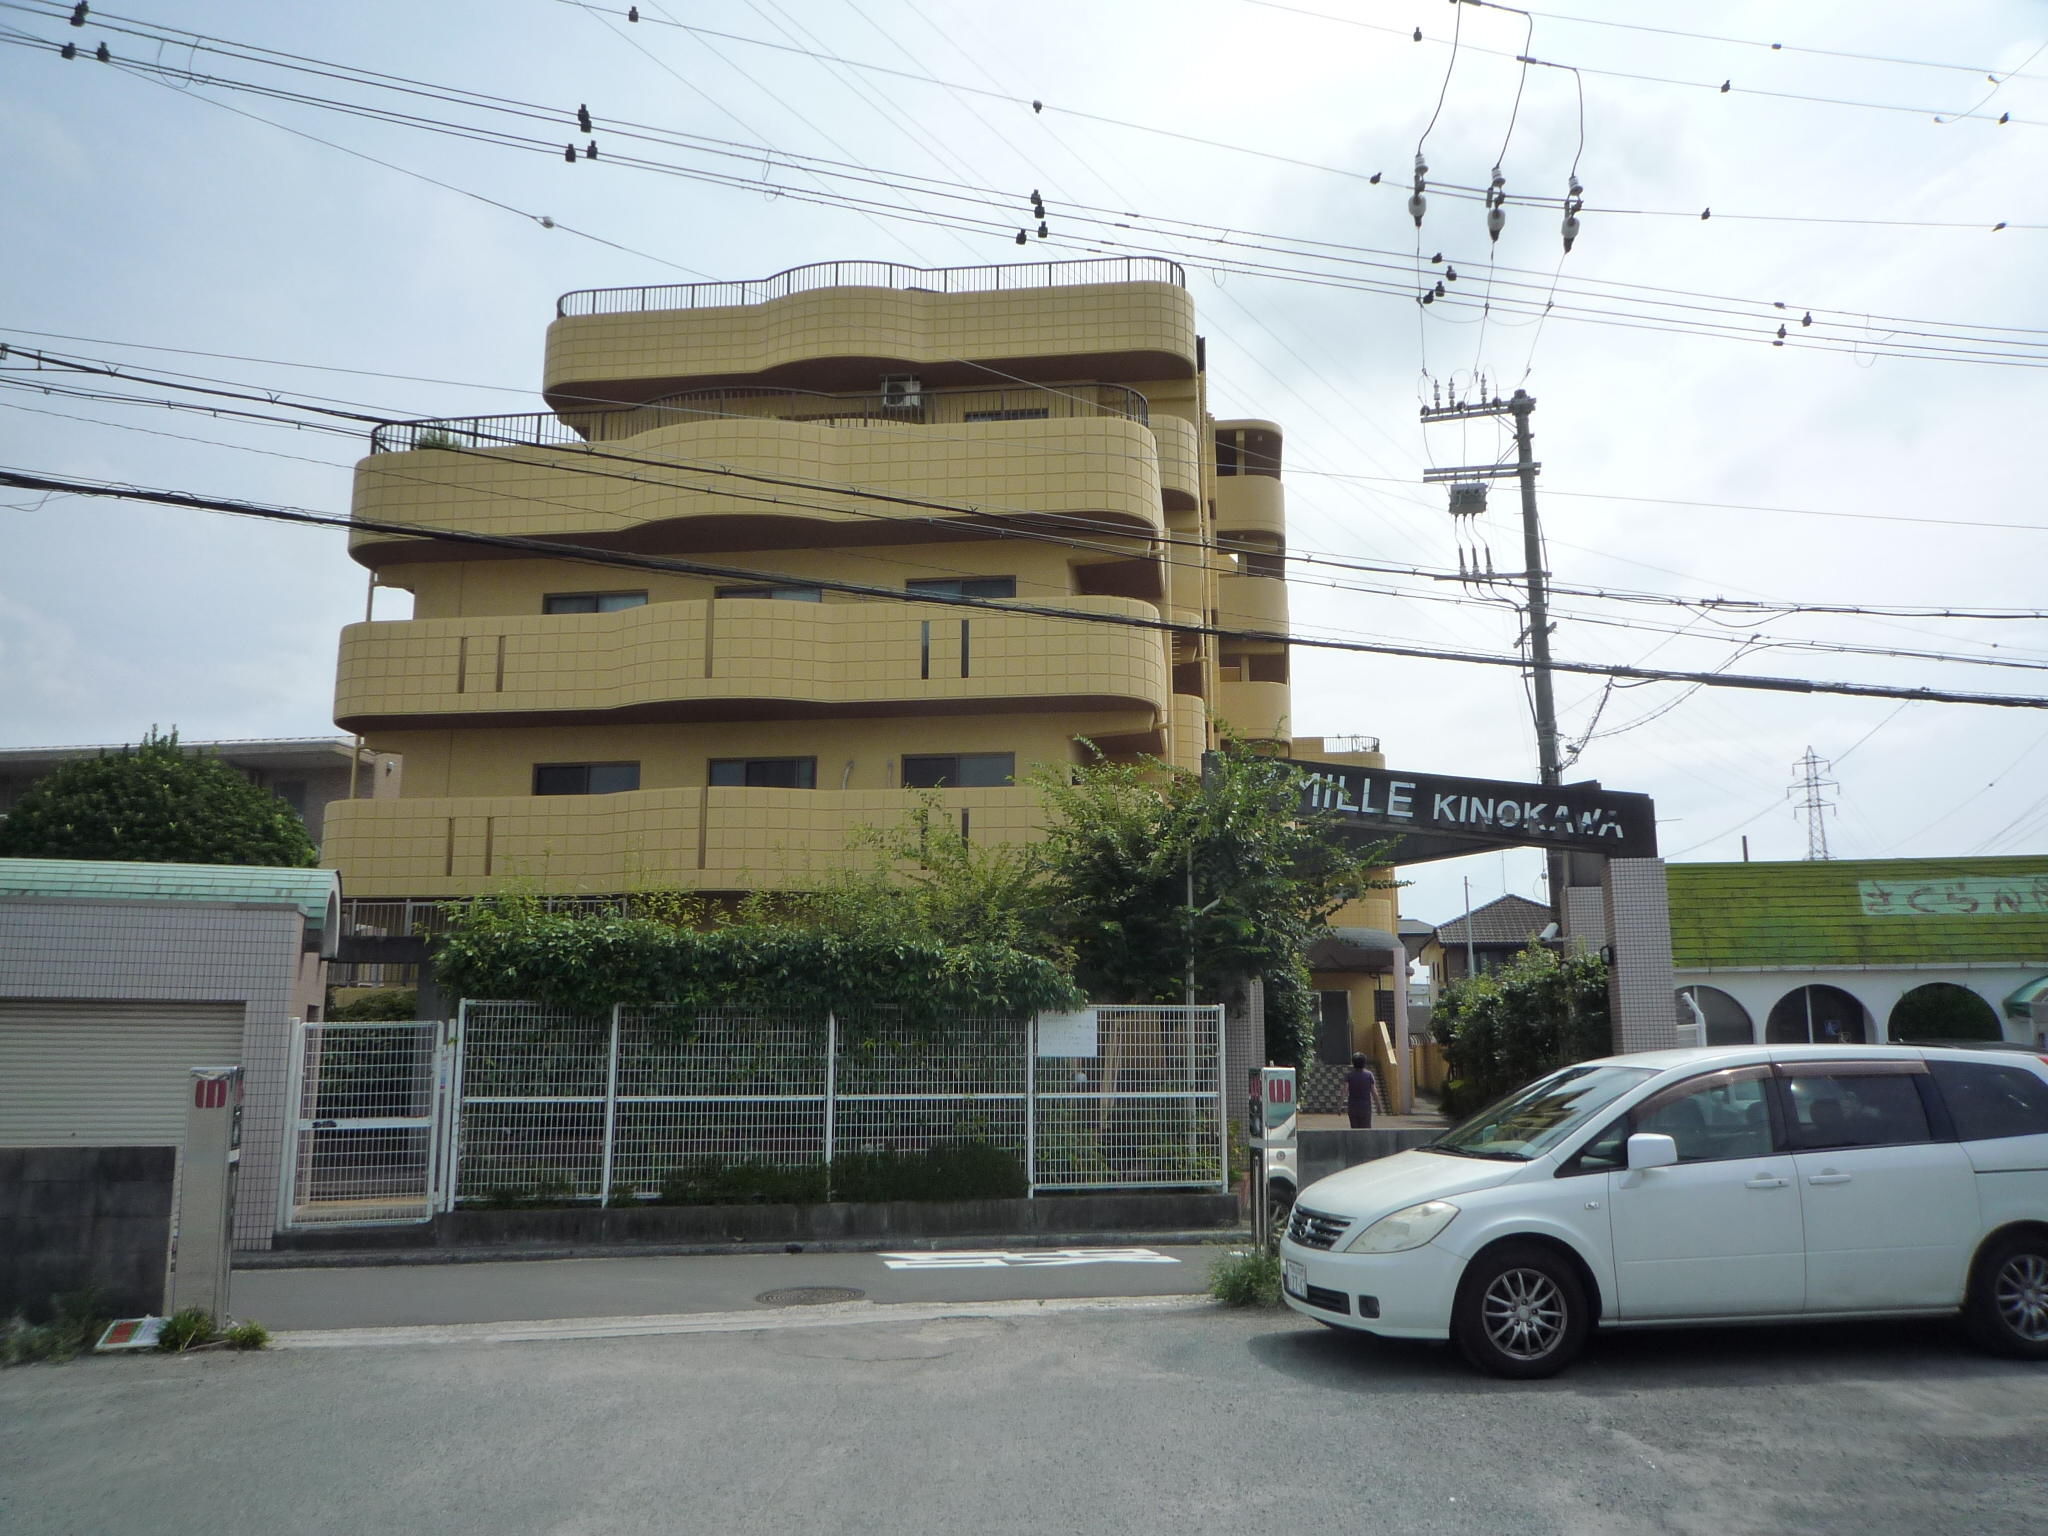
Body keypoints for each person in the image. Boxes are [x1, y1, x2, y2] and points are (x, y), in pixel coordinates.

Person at [1345, 1052, 1377, 1129]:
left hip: (1352, 1106)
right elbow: (1374, 1091)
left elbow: (1344, 1090)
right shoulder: (1369, 1075)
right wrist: (1378, 1105)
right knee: (1366, 1129)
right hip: (1365, 1107)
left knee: (1354, 1129)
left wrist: (1340, 1105)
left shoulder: (1349, 1075)